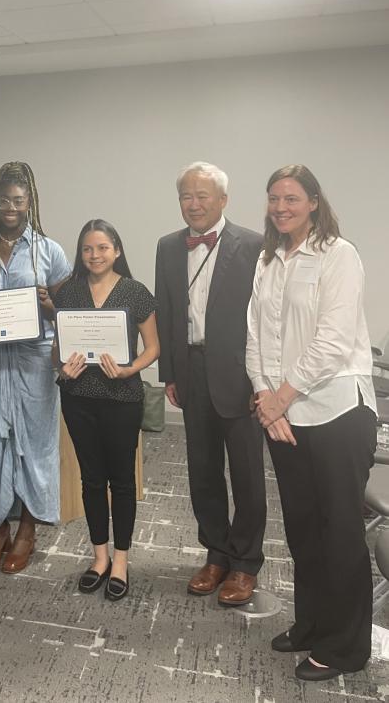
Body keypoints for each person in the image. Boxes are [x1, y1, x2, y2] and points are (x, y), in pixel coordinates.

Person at [246, 165, 377, 682]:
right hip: (284, 417)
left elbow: (332, 341)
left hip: (336, 413)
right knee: (302, 529)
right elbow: (255, 333)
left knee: (340, 531)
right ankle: (311, 623)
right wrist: (264, 396)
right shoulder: (267, 259)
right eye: (274, 198)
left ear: (315, 202)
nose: (281, 207)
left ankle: (346, 647)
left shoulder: (339, 256)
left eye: (292, 198)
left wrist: (278, 399)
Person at [155, 161, 265, 605]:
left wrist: (263, 382)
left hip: (239, 374)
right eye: (186, 196)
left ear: (223, 200)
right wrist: (170, 374)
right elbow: (165, 309)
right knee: (202, 471)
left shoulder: (253, 245)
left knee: (247, 475)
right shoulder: (167, 246)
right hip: (192, 371)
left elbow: (264, 316)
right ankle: (216, 553)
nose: (194, 204)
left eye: (203, 196)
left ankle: (245, 563)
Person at [0, 161, 71, 574]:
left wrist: (49, 305)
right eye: (5, 199)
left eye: (19, 200)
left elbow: (65, 310)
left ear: (30, 203)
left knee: (35, 447)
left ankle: (27, 528)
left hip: (34, 363)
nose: (11, 207)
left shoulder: (50, 250)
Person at [53, 220, 159, 602]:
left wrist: (132, 368)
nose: (95, 255)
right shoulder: (69, 293)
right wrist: (61, 366)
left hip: (121, 398)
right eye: (87, 249)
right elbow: (57, 348)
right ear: (80, 255)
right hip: (78, 397)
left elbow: (153, 346)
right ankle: (98, 557)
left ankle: (121, 560)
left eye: (102, 248)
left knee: (122, 482)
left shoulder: (135, 292)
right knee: (92, 480)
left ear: (116, 250)